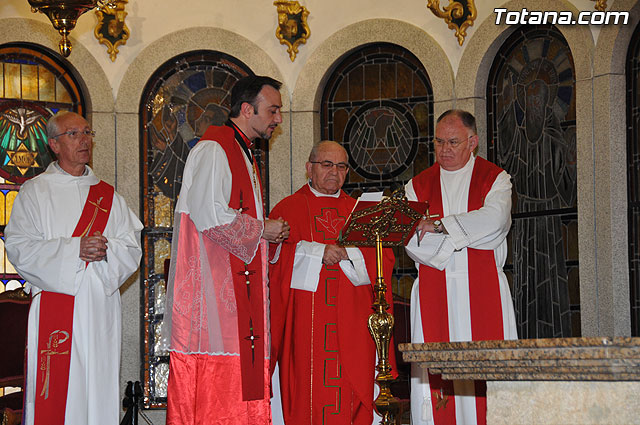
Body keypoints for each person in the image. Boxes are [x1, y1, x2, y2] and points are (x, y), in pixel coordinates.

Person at [161, 75, 290, 424]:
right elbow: (210, 216)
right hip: (214, 301)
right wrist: (263, 229)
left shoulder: (243, 153)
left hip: (233, 303)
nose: (278, 119)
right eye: (273, 110)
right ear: (247, 109)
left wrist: (267, 236)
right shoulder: (214, 149)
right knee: (215, 396)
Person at [5, 111, 143, 425]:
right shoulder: (34, 192)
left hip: (98, 307)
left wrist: (107, 252)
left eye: (87, 132)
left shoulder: (109, 197)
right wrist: (74, 250)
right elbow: (19, 247)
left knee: (97, 388)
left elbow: (131, 246)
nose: (84, 140)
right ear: (54, 144)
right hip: (55, 303)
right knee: (57, 398)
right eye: (73, 134)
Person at [268, 140, 396, 425]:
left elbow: (383, 260)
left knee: (351, 392)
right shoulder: (288, 209)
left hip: (353, 325)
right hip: (305, 328)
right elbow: (273, 260)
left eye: (341, 166)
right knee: (307, 392)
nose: (334, 172)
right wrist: (317, 252)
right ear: (309, 168)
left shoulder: (361, 212)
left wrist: (348, 253)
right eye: (326, 164)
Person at [404, 110, 517, 425]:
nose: (444, 150)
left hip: (484, 292)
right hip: (433, 292)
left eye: (453, 142)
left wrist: (440, 227)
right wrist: (466, 238)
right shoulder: (416, 186)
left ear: (473, 142)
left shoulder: (495, 178)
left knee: (488, 375)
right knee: (437, 382)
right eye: (439, 142)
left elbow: (495, 221)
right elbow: (411, 241)